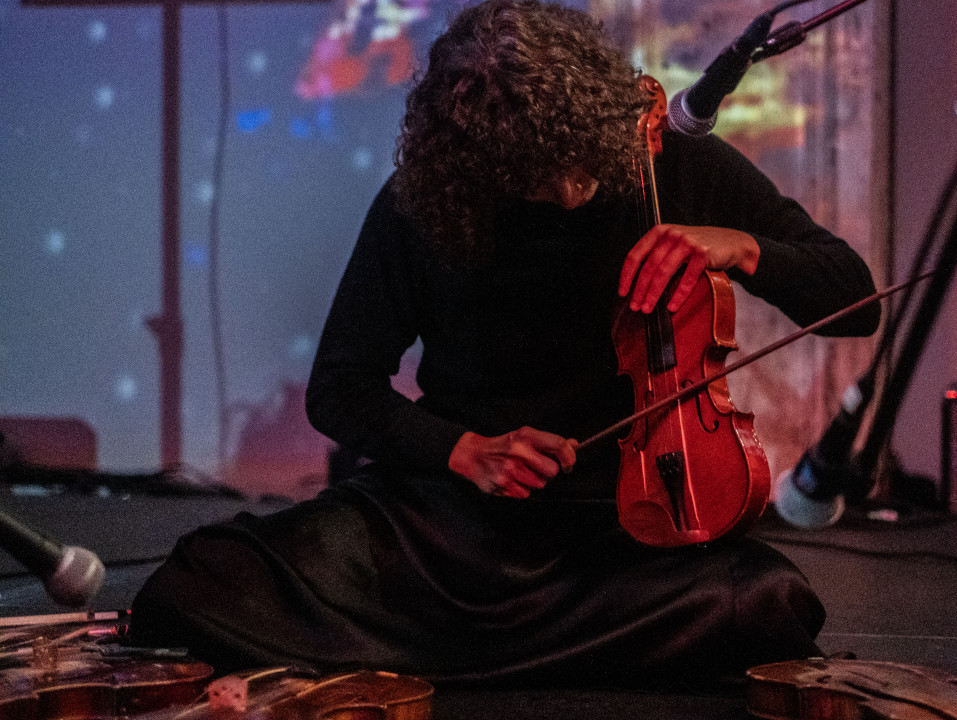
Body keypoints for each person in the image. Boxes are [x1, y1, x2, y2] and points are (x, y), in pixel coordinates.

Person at [129, 0, 881, 691]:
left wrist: (744, 248)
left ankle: (429, 659)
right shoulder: (420, 201)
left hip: (621, 532)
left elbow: (854, 300)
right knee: (197, 582)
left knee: (771, 602)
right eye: (536, 179)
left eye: (581, 163)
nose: (569, 193)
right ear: (473, 168)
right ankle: (551, 661)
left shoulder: (671, 159)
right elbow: (341, 387)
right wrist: (462, 451)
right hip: (445, 529)